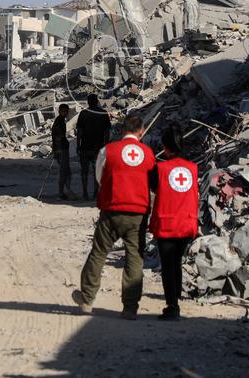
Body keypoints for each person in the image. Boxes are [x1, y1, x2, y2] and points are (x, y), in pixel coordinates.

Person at [72, 111, 155, 319]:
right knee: (134, 257)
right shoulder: (148, 153)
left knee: (99, 252)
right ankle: (130, 307)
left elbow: (100, 177)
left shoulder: (108, 150)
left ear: (122, 130)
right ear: (141, 132)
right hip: (137, 213)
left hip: (111, 209)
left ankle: (87, 299)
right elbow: (151, 182)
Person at [149, 124, 199, 321]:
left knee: (168, 265)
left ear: (165, 146)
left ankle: (172, 306)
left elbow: (153, 188)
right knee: (176, 261)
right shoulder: (193, 169)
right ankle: (176, 295)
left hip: (167, 223)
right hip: (187, 223)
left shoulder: (159, 169)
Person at [76, 93, 111, 200]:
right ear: (97, 101)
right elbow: (107, 132)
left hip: (85, 147)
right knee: (97, 171)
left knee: (84, 171)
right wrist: (106, 145)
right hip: (98, 148)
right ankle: (96, 193)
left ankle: (85, 193)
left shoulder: (83, 113)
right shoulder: (103, 113)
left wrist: (78, 145)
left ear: (88, 102)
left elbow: (79, 132)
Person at [52, 103, 74, 200]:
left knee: (67, 171)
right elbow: (57, 137)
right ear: (59, 111)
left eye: (66, 111)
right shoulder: (59, 121)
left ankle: (66, 190)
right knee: (64, 172)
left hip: (61, 148)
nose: (65, 113)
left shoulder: (61, 121)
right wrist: (58, 150)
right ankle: (62, 192)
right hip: (61, 149)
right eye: (63, 111)